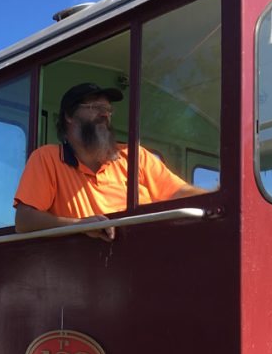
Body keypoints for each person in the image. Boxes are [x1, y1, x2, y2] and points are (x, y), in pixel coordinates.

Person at [13, 82, 205, 241]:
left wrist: (220, 194)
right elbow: (24, 220)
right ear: (69, 116)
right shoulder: (47, 158)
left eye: (108, 110)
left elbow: (177, 192)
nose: (105, 114)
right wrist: (78, 226)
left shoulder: (135, 155)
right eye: (95, 108)